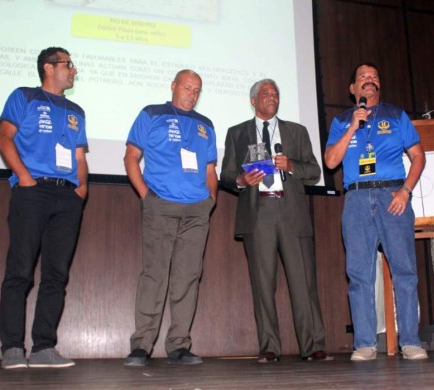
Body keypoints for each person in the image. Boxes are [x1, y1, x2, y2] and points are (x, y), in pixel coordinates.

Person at [220, 79, 332, 363]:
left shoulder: (296, 131)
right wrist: (241, 180)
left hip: (291, 211)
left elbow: (314, 171)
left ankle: (313, 345)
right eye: (265, 94)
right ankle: (269, 347)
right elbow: (226, 174)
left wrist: (291, 165)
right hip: (258, 215)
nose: (272, 97)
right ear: (253, 101)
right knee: (262, 284)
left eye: (276, 93)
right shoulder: (237, 133)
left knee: (303, 283)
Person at [325, 63, 428, 361]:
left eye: (374, 77)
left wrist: (405, 191)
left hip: (392, 195)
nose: (369, 81)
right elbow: (331, 161)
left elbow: (418, 157)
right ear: (353, 89)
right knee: (359, 274)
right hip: (356, 198)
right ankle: (365, 343)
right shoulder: (342, 120)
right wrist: (352, 128)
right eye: (362, 78)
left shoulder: (396, 115)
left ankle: (410, 341)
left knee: (405, 271)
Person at [0, 47, 88, 369]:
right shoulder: (24, 96)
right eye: (68, 64)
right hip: (32, 191)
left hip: (67, 197)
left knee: (56, 275)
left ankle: (43, 348)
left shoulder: (77, 110)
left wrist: (81, 189)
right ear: (49, 68)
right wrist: (24, 178)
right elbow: (4, 138)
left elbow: (78, 157)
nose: (74, 70)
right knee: (19, 271)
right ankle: (11, 348)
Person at [123, 69, 217, 367]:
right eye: (187, 87)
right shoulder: (152, 113)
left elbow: (211, 170)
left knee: (187, 278)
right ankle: (141, 345)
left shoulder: (206, 124)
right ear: (174, 86)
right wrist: (146, 196)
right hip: (160, 206)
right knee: (154, 276)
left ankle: (178, 345)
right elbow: (130, 156)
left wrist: (210, 200)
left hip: (197, 211)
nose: (192, 93)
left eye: (197, 90)